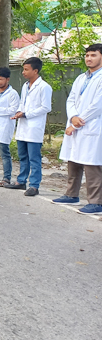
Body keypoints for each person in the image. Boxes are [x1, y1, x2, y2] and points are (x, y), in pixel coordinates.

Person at [55, 44, 102, 214]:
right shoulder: (81, 77)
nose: (89, 58)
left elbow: (98, 105)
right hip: (78, 124)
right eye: (87, 55)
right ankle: (71, 194)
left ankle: (96, 202)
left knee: (92, 164)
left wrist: (76, 122)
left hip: (93, 125)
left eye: (93, 55)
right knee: (73, 160)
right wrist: (73, 116)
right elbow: (71, 99)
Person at [4, 57, 52, 196]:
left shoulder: (44, 87)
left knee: (34, 158)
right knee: (22, 156)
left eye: (26, 69)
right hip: (23, 126)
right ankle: (21, 180)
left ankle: (34, 185)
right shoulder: (25, 86)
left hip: (34, 127)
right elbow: (22, 103)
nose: (23, 72)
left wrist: (26, 114)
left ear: (35, 71)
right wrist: (19, 112)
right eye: (23, 69)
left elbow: (45, 107)